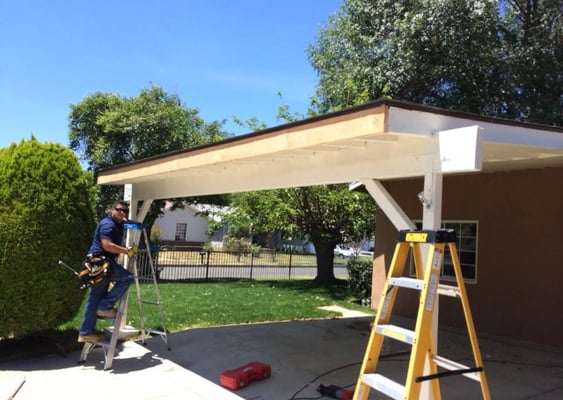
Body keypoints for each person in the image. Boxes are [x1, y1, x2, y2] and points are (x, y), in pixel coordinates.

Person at [78, 200, 135, 342]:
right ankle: (105, 306)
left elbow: (123, 219)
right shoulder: (108, 225)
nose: (122, 213)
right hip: (100, 262)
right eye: (119, 210)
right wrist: (126, 251)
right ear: (111, 210)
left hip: (101, 263)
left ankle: (86, 332)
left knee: (94, 298)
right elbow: (107, 245)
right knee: (127, 278)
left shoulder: (117, 221)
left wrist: (127, 220)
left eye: (124, 211)